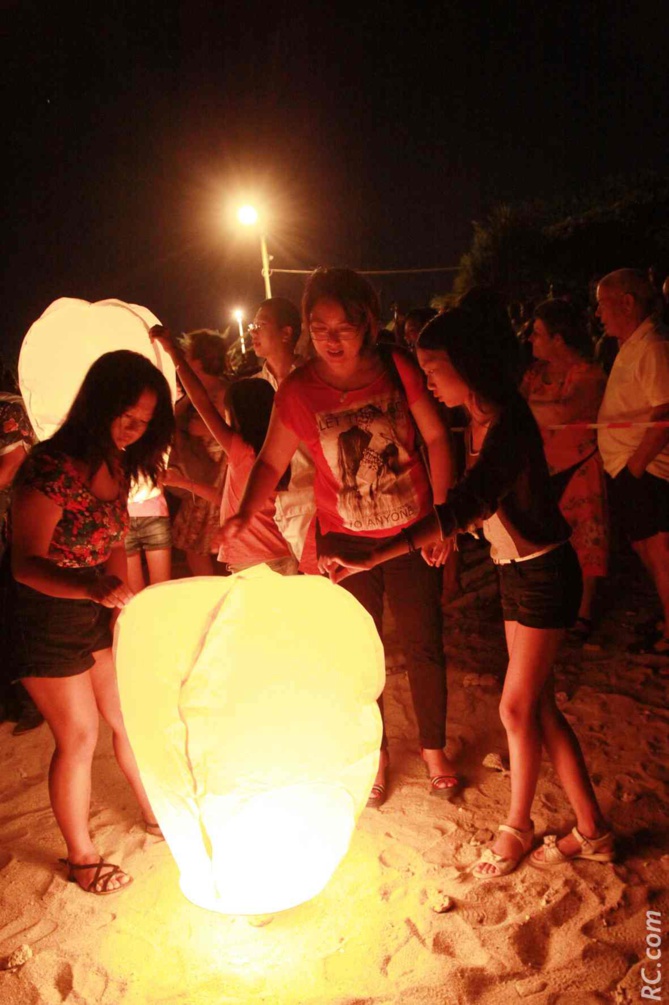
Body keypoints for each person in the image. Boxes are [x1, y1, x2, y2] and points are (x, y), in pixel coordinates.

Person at [322, 303, 613, 876]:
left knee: (514, 708)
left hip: (545, 575)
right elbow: (477, 508)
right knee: (538, 709)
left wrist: (379, 550)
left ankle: (518, 826)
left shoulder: (507, 426)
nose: (426, 381)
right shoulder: (480, 422)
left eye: (434, 368)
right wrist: (451, 533)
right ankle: (593, 828)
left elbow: (470, 501)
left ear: (470, 365)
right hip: (515, 570)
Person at [221, 267, 458, 807]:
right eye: (319, 326)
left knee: (424, 645)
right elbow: (269, 462)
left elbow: (438, 438)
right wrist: (241, 512)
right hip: (345, 544)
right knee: (358, 652)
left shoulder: (397, 367)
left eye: (344, 326)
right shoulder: (300, 390)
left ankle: (434, 751)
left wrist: (443, 516)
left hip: (412, 531)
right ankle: (374, 755)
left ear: (367, 324)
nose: (331, 338)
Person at [7, 351, 174, 894]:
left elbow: (113, 541)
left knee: (128, 715)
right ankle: (82, 856)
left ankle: (157, 814)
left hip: (91, 611)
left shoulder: (117, 463)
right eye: (126, 416)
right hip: (43, 614)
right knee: (79, 735)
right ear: (98, 404)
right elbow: (25, 563)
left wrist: (118, 597)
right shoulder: (49, 466)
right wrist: (89, 587)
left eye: (145, 422)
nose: (133, 430)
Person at [150, 327, 297, 575]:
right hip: (280, 556)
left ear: (238, 416)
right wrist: (183, 482)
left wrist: (173, 353)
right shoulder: (277, 456)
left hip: (254, 563)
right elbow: (223, 498)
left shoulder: (242, 450)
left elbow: (201, 400)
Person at [522, 300, 609, 641]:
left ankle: (583, 612)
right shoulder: (533, 375)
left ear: (559, 339)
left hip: (578, 467)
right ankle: (556, 605)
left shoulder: (588, 374)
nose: (530, 338)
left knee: (585, 539)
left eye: (538, 333)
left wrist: (525, 409)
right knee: (547, 541)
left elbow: (565, 413)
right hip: (541, 469)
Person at [596, 268, 669, 655]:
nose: (598, 314)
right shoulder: (633, 343)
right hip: (632, 467)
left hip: (648, 469)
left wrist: (635, 468)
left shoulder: (653, 344)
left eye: (602, 304)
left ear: (627, 302)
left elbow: (665, 412)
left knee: (660, 552)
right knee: (648, 549)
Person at [248, 297, 317, 564]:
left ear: (286, 332)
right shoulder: (254, 390)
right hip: (280, 506)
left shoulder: (314, 377)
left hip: (319, 498)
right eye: (252, 325)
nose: (253, 331)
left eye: (260, 324)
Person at [169, 330, 228, 576]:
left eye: (189, 354)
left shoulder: (223, 393)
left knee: (221, 553)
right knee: (194, 551)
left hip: (217, 487)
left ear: (200, 360)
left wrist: (209, 429)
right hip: (197, 489)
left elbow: (235, 435)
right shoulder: (192, 395)